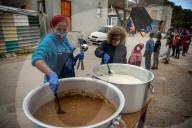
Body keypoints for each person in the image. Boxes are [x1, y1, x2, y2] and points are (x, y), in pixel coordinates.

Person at [31, 15, 84, 95]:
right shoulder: (48, 41)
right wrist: (51, 74)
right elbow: (37, 59)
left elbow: (67, 59)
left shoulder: (65, 40)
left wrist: (75, 58)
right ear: (53, 28)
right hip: (55, 83)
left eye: (65, 30)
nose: (62, 32)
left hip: (69, 79)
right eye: (59, 29)